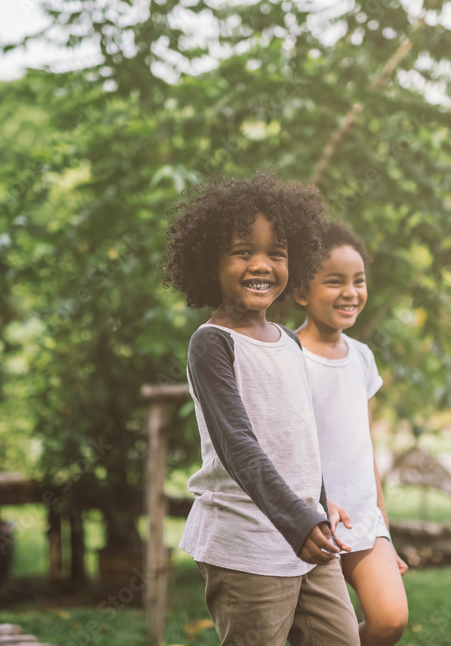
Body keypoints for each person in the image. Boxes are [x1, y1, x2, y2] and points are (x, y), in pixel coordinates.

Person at [163, 171, 361, 646]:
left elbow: (297, 435)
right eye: (243, 251)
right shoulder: (212, 343)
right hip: (247, 545)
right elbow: (238, 445)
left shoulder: (290, 342)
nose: (262, 264)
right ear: (210, 263)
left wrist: (316, 499)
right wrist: (297, 517)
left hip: (307, 537)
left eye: (277, 253)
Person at [294, 222, 409, 646]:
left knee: (391, 620)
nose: (351, 292)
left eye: (358, 281)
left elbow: (365, 447)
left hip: (363, 517)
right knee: (326, 633)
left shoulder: (362, 356)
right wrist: (312, 506)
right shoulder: (289, 355)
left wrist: (384, 528)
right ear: (302, 293)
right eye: (334, 281)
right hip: (313, 518)